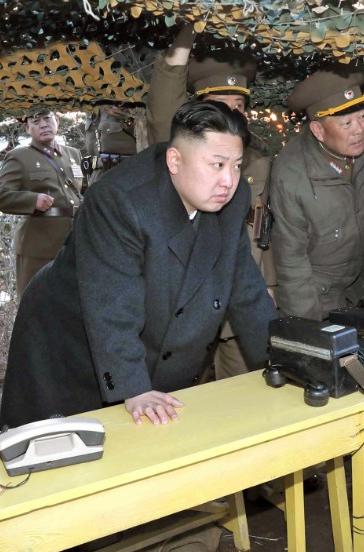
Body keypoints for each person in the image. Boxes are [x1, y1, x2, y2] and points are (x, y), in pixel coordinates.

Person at [0, 101, 277, 429]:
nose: (228, 181)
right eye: (217, 165)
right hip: (69, 333)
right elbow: (111, 305)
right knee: (67, 451)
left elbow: (245, 288)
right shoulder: (120, 200)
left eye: (236, 165)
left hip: (136, 334)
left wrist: (282, 359)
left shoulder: (230, 198)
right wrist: (133, 387)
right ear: (175, 160)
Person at [145, 23, 277, 379]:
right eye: (223, 105)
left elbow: (262, 229)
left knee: (245, 399)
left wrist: (267, 287)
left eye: (239, 105)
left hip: (239, 302)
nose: (235, 113)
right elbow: (162, 110)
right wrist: (184, 38)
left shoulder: (256, 158)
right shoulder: (180, 152)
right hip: (190, 301)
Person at [269, 67, 364, 321]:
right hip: (320, 299)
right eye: (346, 123)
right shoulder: (292, 174)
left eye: (362, 117)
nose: (359, 130)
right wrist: (307, 330)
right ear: (318, 130)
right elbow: (292, 264)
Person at [0, 109, 85, 297]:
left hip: (73, 244)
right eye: (36, 121)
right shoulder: (19, 157)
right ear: (27, 128)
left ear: (57, 121)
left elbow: (82, 191)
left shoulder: (73, 154)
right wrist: (33, 200)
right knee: (35, 307)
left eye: (47, 119)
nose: (43, 125)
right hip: (38, 247)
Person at [82, 105, 137, 188]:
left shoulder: (127, 96)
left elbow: (152, 131)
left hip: (126, 174)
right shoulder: (90, 100)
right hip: (97, 176)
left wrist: (127, 119)